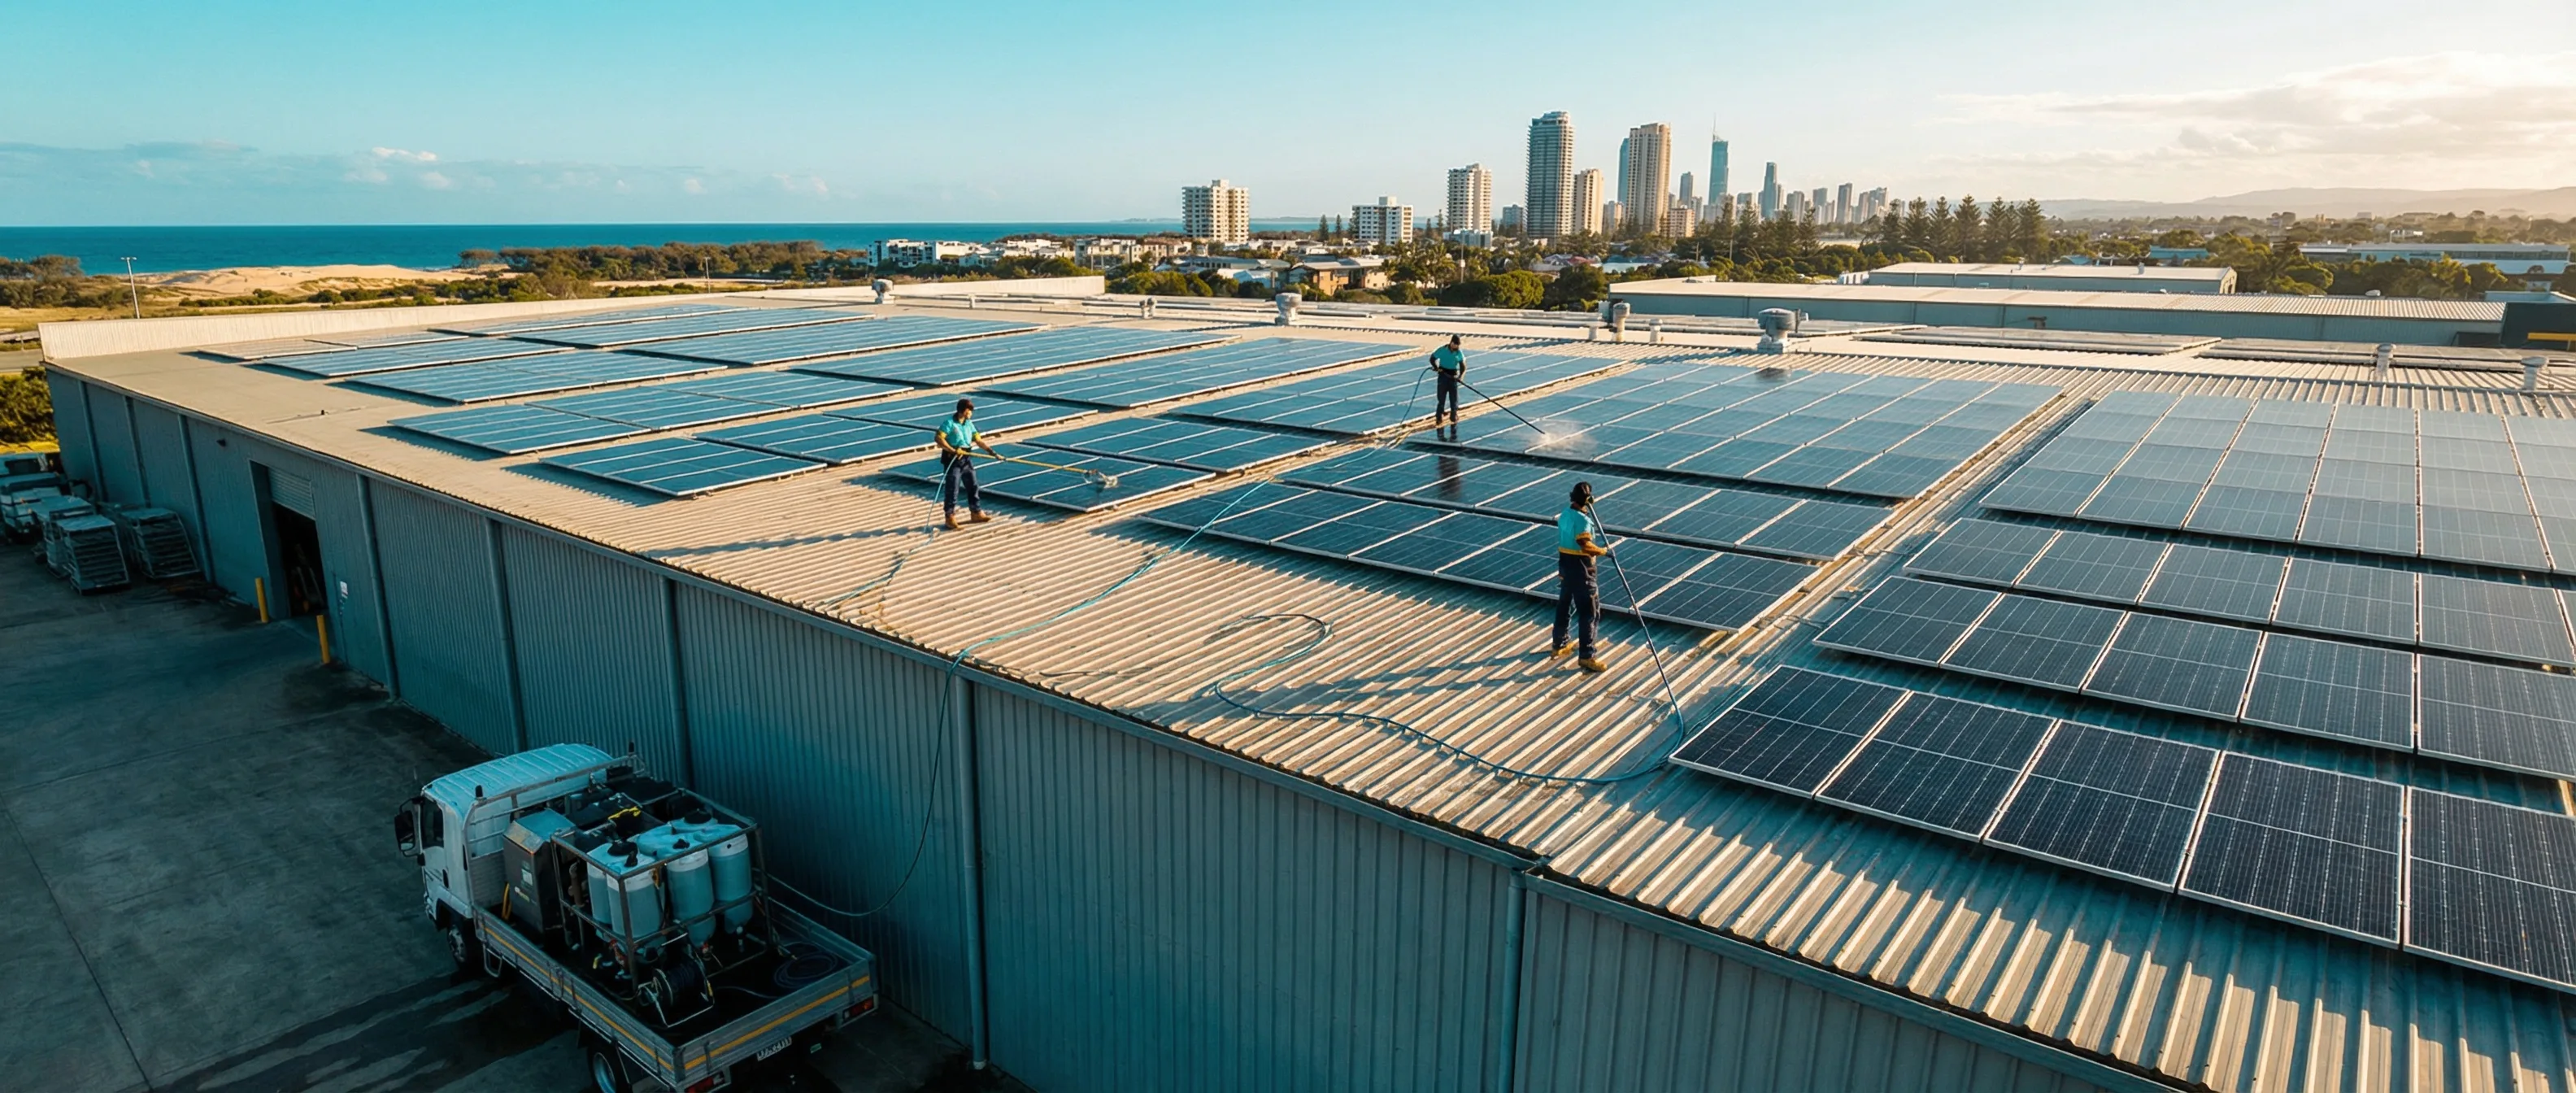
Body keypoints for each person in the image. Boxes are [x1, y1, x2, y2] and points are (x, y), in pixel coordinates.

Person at [1552, 481, 1611, 673]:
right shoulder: (1584, 521)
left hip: (1565, 566)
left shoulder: (1565, 514)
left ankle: (1559, 645)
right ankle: (1587, 655)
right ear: (1588, 500)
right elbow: (1584, 543)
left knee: (1565, 605)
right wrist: (1603, 552)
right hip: (1582, 569)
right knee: (1589, 613)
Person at [936, 398, 998, 529]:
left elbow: (978, 440)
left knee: (973, 486)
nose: (971, 413)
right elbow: (938, 438)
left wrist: (991, 452)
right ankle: (949, 517)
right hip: (953, 459)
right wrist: (953, 450)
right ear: (964, 411)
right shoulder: (949, 423)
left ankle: (976, 512)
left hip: (966, 458)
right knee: (953, 489)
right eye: (970, 411)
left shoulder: (969, 424)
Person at [1429, 334, 1465, 435]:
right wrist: (1436, 367)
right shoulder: (1443, 350)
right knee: (1441, 397)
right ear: (1451, 343)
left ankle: (1453, 415)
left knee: (1454, 398)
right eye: (1456, 344)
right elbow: (1432, 358)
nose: (1457, 347)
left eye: (1458, 345)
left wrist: (1461, 376)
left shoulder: (1459, 353)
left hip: (1453, 376)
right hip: (1443, 376)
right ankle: (1439, 416)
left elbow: (1463, 366)